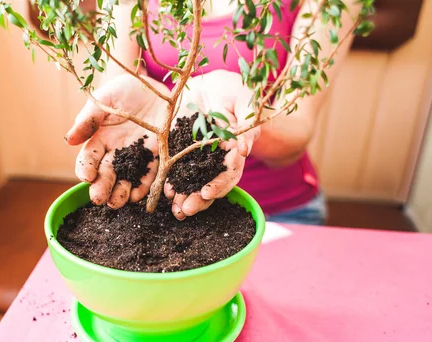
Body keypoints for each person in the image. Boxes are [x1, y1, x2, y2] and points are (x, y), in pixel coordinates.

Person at [65, 0, 359, 225]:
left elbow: (298, 129)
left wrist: (239, 117)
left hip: (279, 211)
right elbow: (120, 85)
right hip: (160, 203)